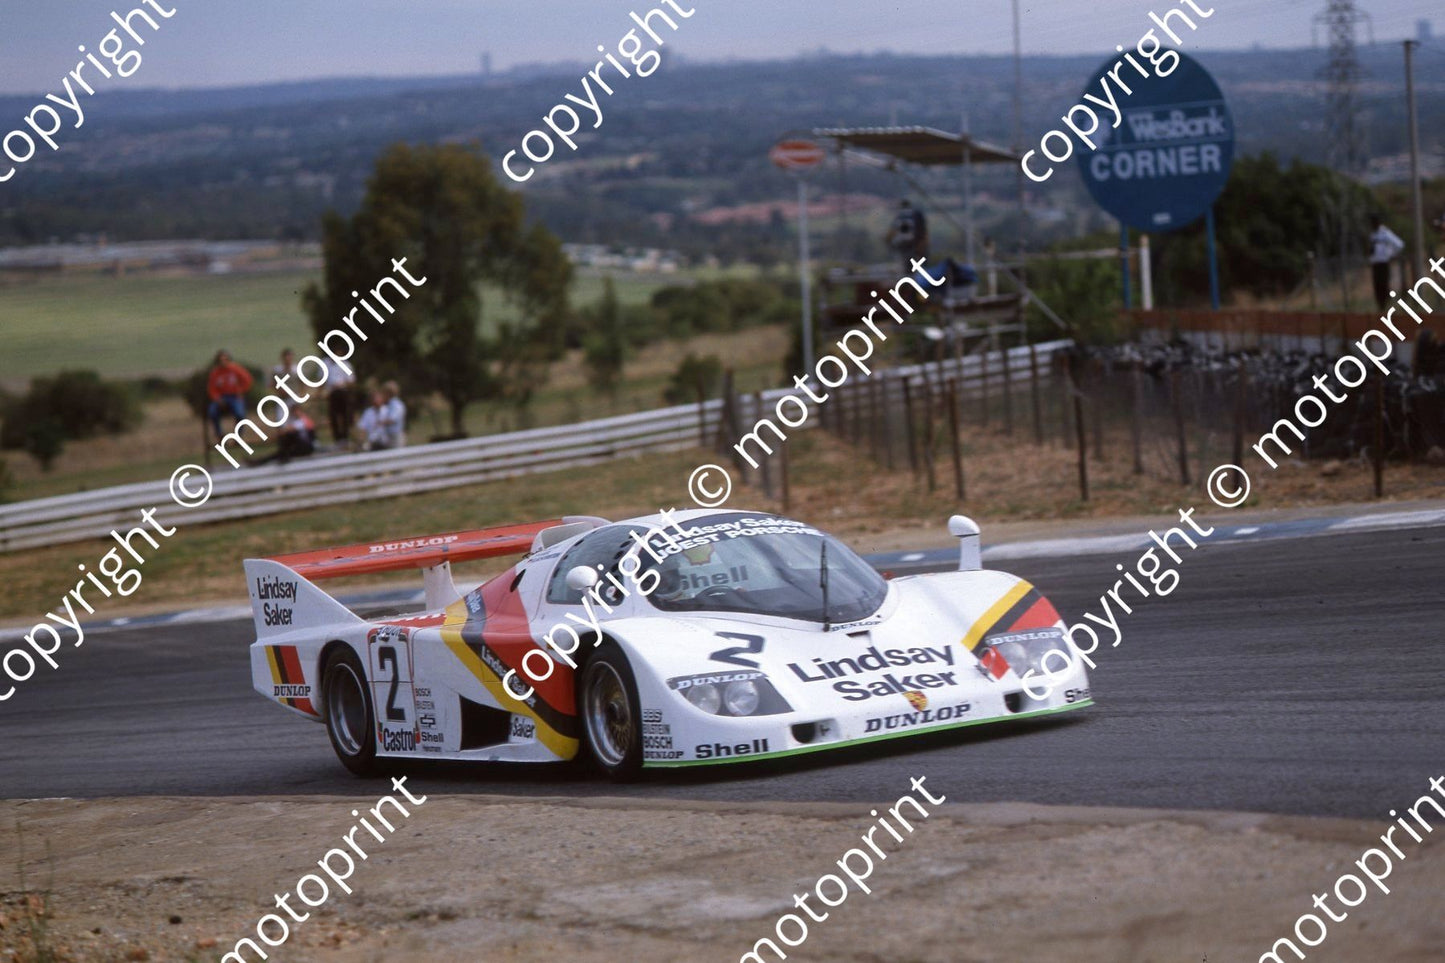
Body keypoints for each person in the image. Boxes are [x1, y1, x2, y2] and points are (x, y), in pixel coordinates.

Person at [205, 349, 253, 441]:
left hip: (235, 396)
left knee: (240, 414)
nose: (223, 362)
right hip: (221, 397)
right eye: (221, 360)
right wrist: (217, 398)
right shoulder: (215, 373)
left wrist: (241, 391)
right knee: (212, 412)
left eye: (225, 360)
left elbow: (248, 380)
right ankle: (220, 435)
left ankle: (238, 437)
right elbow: (211, 388)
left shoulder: (236, 369)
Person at [249, 406, 317, 466]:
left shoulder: (304, 421)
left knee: (287, 439)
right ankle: (258, 462)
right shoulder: (299, 422)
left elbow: (289, 429)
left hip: (306, 448)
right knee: (278, 453)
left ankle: (258, 462)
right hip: (300, 447)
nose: (295, 414)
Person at [1369, 215, 1406, 312]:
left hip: (1384, 262)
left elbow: (1399, 244)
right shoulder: (1373, 234)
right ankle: (1380, 307)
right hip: (1375, 263)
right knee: (1377, 286)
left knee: (1384, 284)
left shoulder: (1385, 233)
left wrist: (1391, 254)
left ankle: (1387, 306)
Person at [358, 383, 406, 451]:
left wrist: (380, 423)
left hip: (392, 437)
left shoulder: (393, 406)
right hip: (376, 441)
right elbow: (362, 427)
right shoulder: (368, 412)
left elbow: (392, 419)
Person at [886, 198, 929, 274]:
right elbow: (923, 231)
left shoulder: (899, 216)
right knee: (918, 270)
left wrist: (889, 242)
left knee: (906, 269)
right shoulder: (916, 215)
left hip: (904, 247)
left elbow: (892, 232)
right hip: (916, 246)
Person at [324, 356, 356, 444]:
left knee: (346, 415)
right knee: (333, 416)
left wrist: (341, 384)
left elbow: (351, 381)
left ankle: (346, 436)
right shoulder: (325, 364)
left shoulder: (346, 364)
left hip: (343, 392)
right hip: (332, 393)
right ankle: (337, 438)